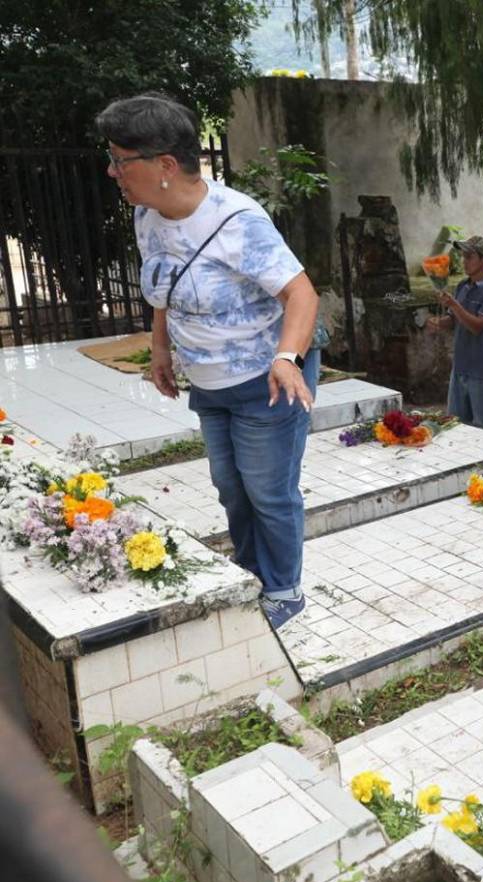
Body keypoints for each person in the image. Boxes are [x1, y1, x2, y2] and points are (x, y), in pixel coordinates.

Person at [97, 93, 319, 630]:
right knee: (231, 486)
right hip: (210, 383)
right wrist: (160, 347)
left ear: (165, 165)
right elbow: (162, 288)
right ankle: (250, 572)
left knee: (268, 489)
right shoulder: (148, 217)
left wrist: (287, 357)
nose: (112, 172)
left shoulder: (239, 220)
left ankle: (284, 588)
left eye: (121, 161)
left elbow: (302, 294)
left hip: (267, 380)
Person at [431, 235, 483, 430]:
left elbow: (477, 326)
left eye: (469, 257)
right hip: (461, 366)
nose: (464, 262)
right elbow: (455, 320)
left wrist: (454, 305)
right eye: (463, 257)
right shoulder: (462, 286)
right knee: (456, 426)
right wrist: (440, 322)